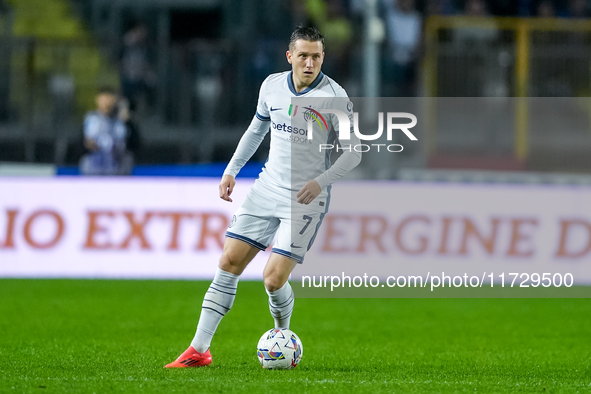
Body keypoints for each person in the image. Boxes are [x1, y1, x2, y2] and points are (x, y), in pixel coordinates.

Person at [165, 25, 362, 368]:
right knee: (229, 262)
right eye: (303, 56)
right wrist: (231, 170)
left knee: (272, 279)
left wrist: (321, 181)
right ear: (290, 57)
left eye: (316, 56)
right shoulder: (272, 85)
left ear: (323, 58)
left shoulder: (335, 97)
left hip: (305, 198)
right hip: (267, 186)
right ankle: (199, 350)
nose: (309, 63)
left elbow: (354, 152)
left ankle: (282, 335)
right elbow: (256, 129)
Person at [79, 88, 133, 176]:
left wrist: (123, 112)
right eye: (104, 100)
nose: (107, 104)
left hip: (117, 166)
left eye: (110, 100)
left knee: (127, 160)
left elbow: (127, 142)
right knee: (86, 162)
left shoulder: (120, 121)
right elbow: (88, 142)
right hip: (95, 166)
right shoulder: (92, 119)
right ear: (98, 101)